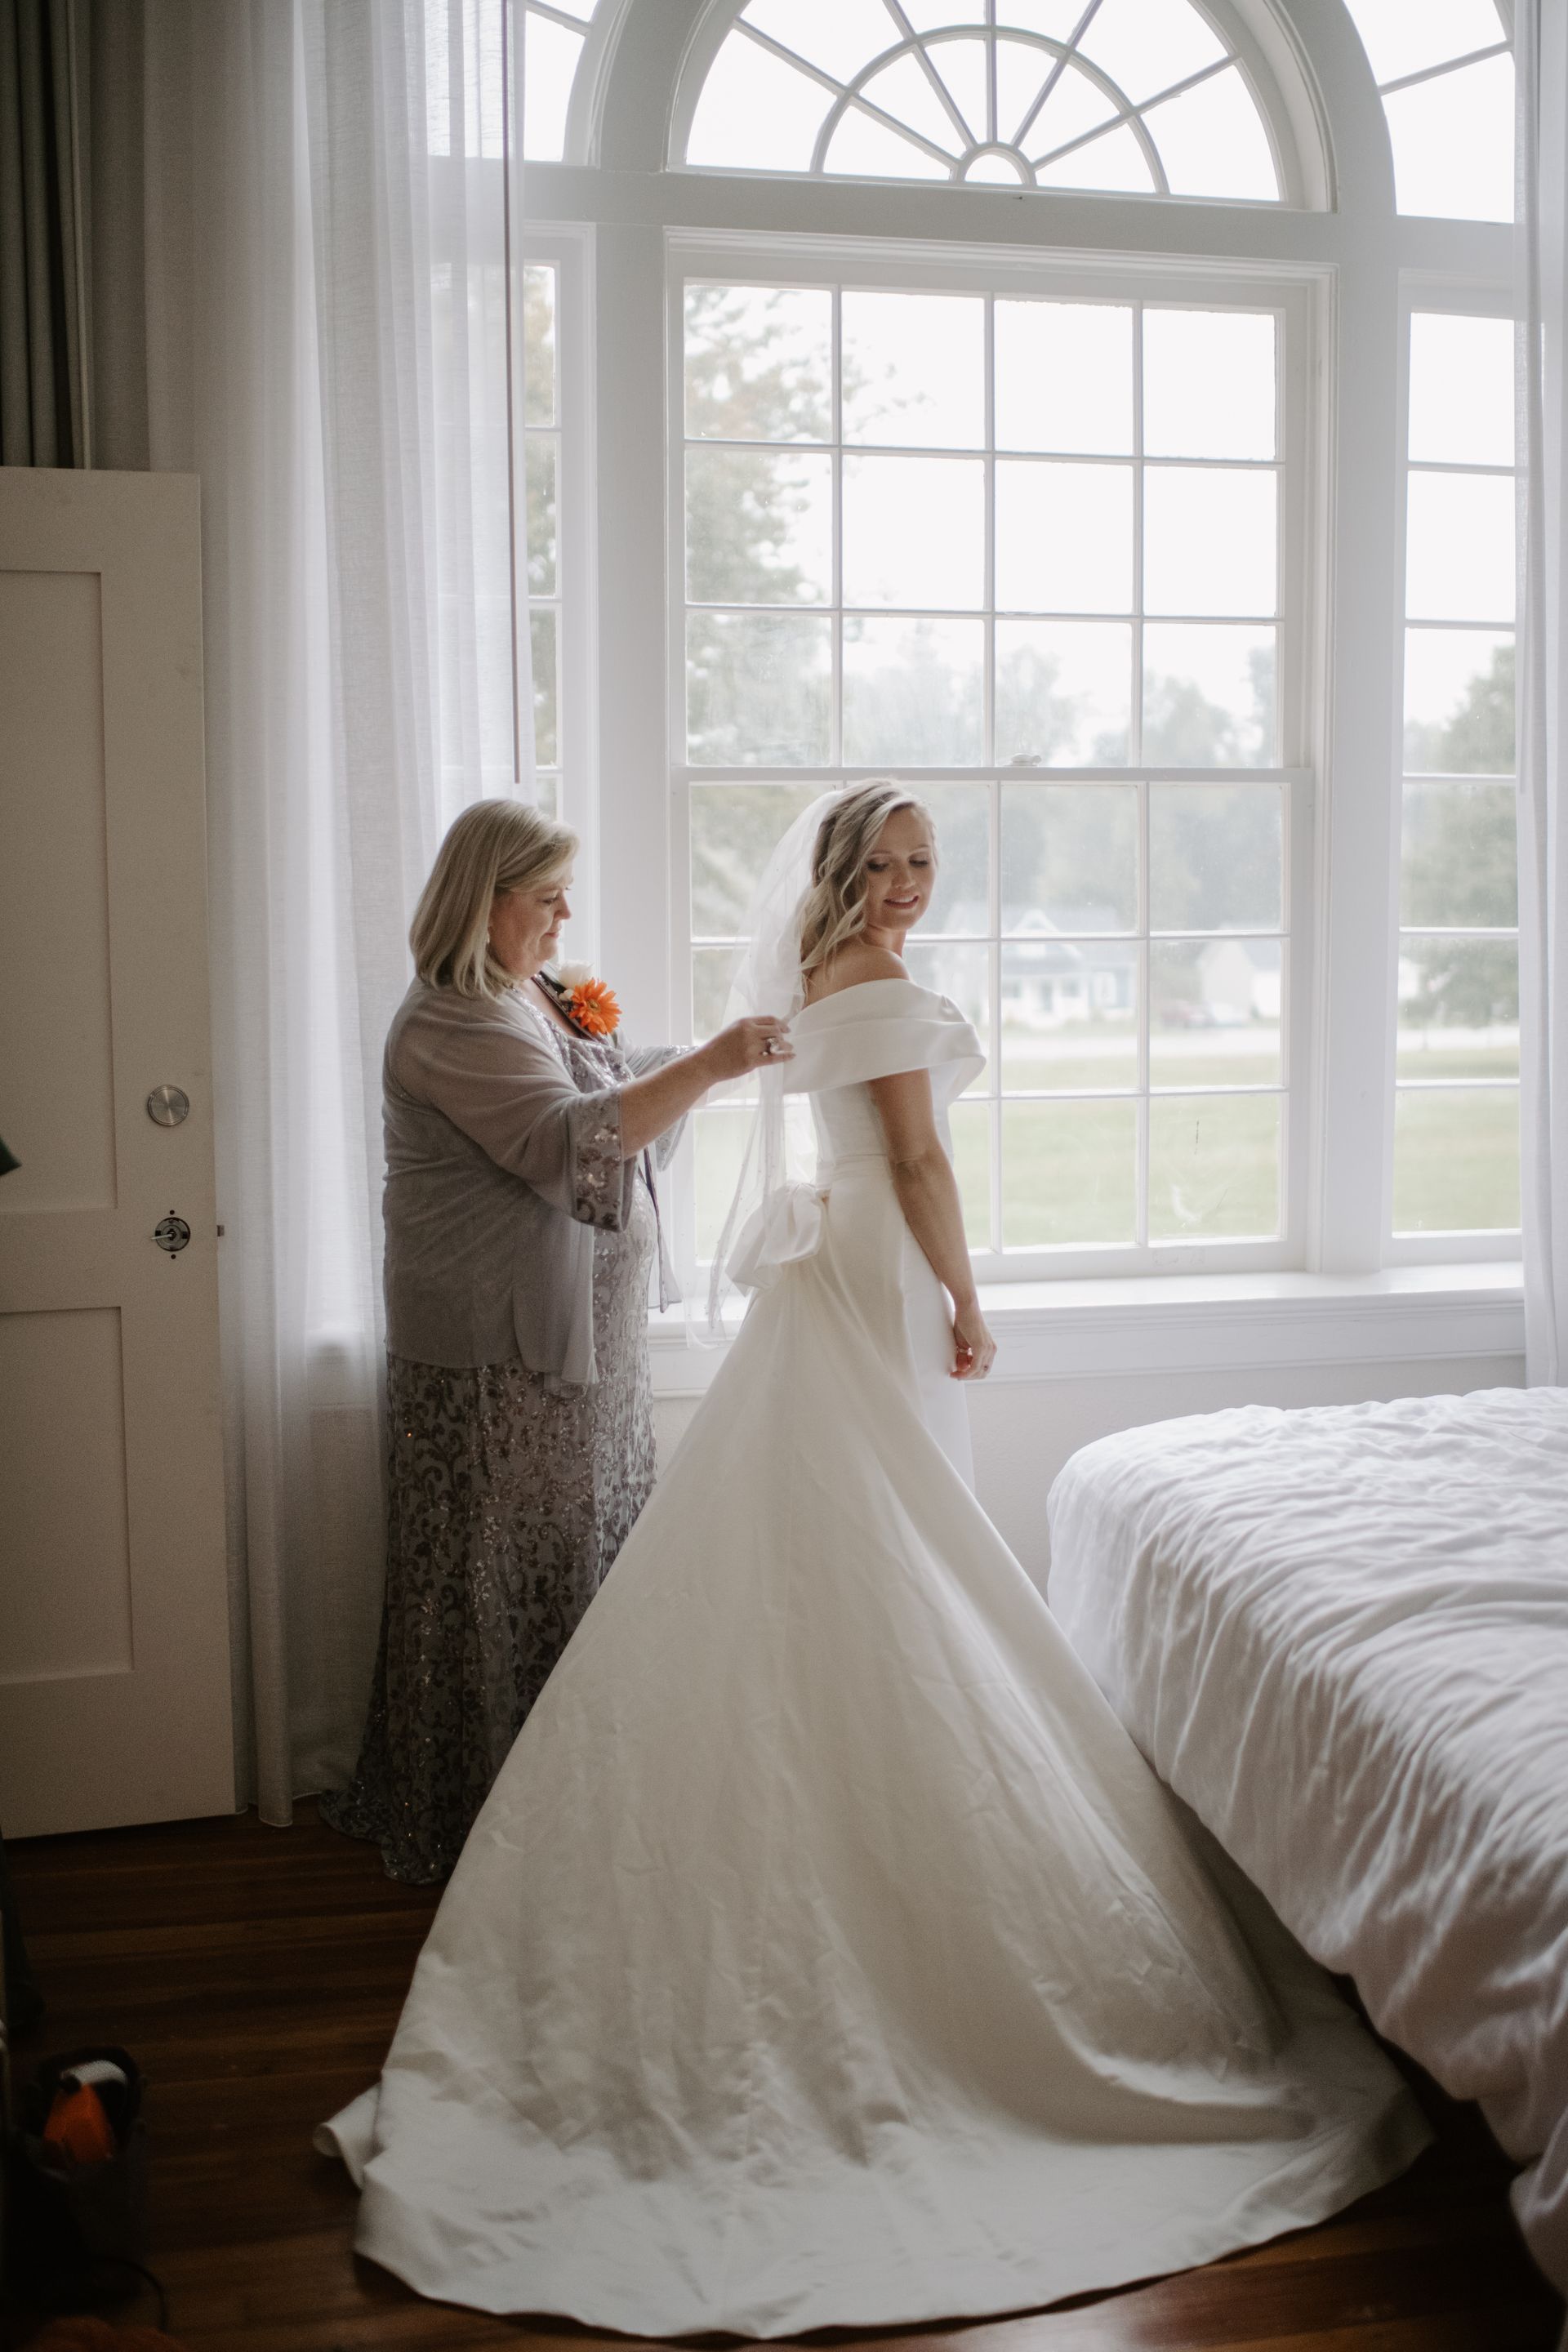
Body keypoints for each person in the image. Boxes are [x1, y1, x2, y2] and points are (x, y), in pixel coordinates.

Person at [318, 782, 1428, 2333]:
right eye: (887, 863)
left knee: (843, 1533)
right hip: (868, 1267)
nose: (908, 887)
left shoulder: (814, 975)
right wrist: (970, 1303)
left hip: (818, 1274)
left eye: (924, 865)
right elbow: (916, 1168)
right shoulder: (864, 986)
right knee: (907, 1540)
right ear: (846, 872)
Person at [322, 798, 789, 1884]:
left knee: (579, 1556)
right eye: (545, 897)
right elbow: (570, 1139)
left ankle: (575, 1789)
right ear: (480, 904)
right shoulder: (453, 1020)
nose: (566, 916)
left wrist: (699, 1054)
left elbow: (607, 1084)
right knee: (502, 1569)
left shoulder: (528, 993)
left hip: (578, 1348)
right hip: (500, 1355)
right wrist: (713, 1065)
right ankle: (492, 1816)